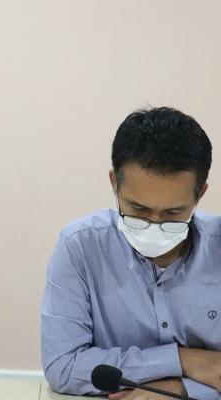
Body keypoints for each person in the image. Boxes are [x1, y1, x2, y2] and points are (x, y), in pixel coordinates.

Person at [41, 107, 221, 400]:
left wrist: (181, 389)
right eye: (138, 209)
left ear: (200, 194)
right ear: (115, 183)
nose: (154, 224)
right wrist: (184, 359)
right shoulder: (80, 246)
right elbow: (63, 366)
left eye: (173, 212)